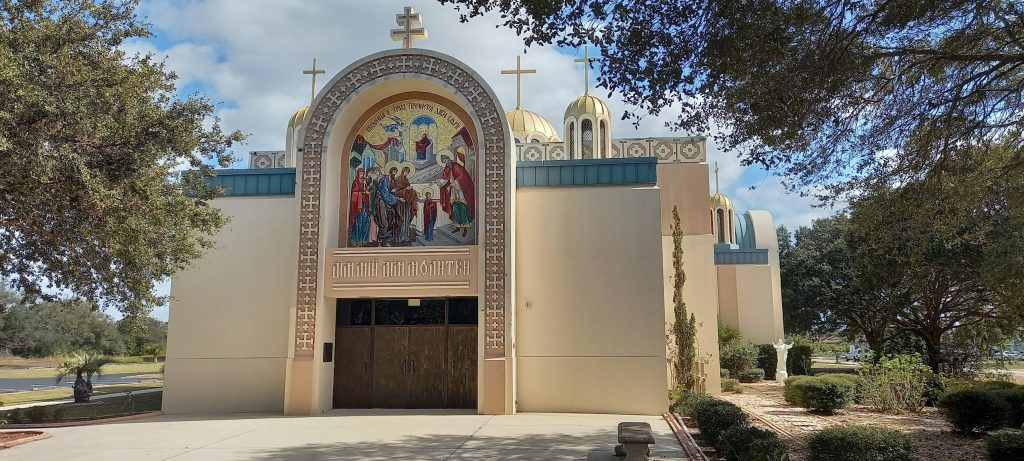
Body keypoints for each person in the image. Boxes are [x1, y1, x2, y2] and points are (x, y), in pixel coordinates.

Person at [437, 155, 475, 237]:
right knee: (455, 208)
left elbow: (461, 177)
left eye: (447, 160)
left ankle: (465, 228)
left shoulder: (456, 166)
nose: (447, 162)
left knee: (463, 208)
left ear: (449, 159)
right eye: (445, 162)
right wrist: (438, 182)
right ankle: (457, 227)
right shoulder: (447, 169)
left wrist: (451, 185)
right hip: (454, 191)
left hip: (461, 190)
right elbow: (445, 178)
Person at [373, 167, 401, 244]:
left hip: (388, 202)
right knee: (383, 221)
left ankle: (387, 240)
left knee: (390, 219)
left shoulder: (392, 180)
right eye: (393, 172)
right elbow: (384, 193)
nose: (394, 174)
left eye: (396, 172)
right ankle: (380, 240)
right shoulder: (384, 180)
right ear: (390, 171)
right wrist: (397, 199)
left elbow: (390, 190)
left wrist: (394, 191)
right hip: (381, 201)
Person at [394, 166, 417, 243]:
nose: (406, 173)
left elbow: (408, 188)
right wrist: (406, 189)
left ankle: (406, 236)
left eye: (408, 172)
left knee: (406, 219)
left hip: (407, 202)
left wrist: (411, 190)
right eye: (406, 172)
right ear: (403, 171)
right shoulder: (398, 179)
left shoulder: (406, 179)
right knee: (402, 219)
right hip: (401, 202)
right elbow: (396, 191)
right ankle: (400, 237)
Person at [349, 168, 371, 245]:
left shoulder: (364, 182)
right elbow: (354, 193)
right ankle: (356, 240)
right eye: (361, 173)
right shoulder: (355, 182)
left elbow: (365, 191)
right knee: (358, 223)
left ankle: (364, 240)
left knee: (366, 222)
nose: (362, 175)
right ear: (358, 174)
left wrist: (367, 191)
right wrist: (363, 193)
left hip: (364, 205)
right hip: (358, 206)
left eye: (363, 174)